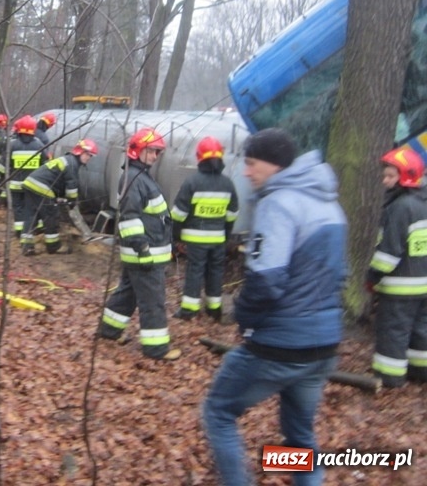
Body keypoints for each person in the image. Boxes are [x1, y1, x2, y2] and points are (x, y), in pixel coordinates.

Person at [203, 128, 347, 486]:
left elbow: (266, 279)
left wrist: (242, 316)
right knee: (299, 436)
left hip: (279, 345)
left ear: (275, 165)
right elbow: (341, 276)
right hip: (322, 347)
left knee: (219, 412)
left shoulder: (278, 202)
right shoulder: (330, 205)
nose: (247, 172)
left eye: (251, 164)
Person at [97, 128, 180, 361]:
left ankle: (109, 331)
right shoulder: (134, 179)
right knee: (153, 301)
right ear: (138, 151)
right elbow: (130, 218)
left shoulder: (140, 177)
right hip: (145, 254)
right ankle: (156, 348)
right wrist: (142, 249)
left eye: (157, 152)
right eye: (152, 151)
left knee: (127, 294)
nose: (155, 156)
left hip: (145, 253)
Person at [366, 146, 427, 388]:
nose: (385, 181)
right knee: (421, 330)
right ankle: (420, 371)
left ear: (405, 178)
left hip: (400, 287)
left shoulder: (400, 208)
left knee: (393, 331)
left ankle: (389, 376)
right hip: (423, 284)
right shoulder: (423, 203)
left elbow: (388, 254)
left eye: (390, 176)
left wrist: (373, 276)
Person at [171, 136, 239, 322]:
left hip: (195, 240)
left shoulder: (192, 182)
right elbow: (232, 214)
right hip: (218, 239)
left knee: (195, 271)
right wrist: (225, 235)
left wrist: (175, 237)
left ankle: (189, 310)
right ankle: (214, 309)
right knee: (216, 272)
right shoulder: (228, 184)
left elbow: (178, 214)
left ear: (199, 157)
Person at [21, 138, 97, 255]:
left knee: (31, 215)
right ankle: (53, 246)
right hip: (42, 187)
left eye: (91, 156)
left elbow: (59, 182)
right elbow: (72, 186)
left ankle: (27, 246)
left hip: (30, 183)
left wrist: (61, 197)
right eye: (88, 154)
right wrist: (72, 201)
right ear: (80, 152)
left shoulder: (67, 160)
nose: (89, 158)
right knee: (50, 216)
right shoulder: (72, 164)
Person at [9, 116, 47, 237]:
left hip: (16, 184)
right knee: (32, 206)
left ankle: (20, 230)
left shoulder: (12, 145)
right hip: (33, 184)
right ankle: (34, 229)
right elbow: (44, 164)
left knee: (18, 207)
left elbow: (5, 165)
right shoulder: (39, 145)